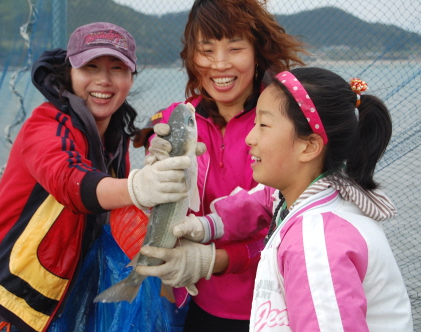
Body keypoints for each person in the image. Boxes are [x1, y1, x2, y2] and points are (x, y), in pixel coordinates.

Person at [0, 22, 192, 332]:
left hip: (64, 305)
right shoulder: (46, 124)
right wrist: (138, 186)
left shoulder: (115, 138)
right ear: (69, 73)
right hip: (8, 306)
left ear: (130, 77)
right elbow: (70, 181)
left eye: (117, 68)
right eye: (90, 67)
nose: (104, 80)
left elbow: (118, 213)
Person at [177, 67, 414, 331]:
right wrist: (204, 227)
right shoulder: (323, 192)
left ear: (309, 146)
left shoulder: (316, 244)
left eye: (263, 125)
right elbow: (260, 201)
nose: (249, 138)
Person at [132, 0, 307, 331]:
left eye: (235, 48)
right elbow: (160, 214)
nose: (220, 64)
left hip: (277, 307)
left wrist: (216, 260)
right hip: (195, 304)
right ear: (191, 56)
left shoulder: (288, 122)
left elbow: (293, 228)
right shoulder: (176, 119)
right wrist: (147, 180)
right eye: (206, 50)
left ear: (258, 52)